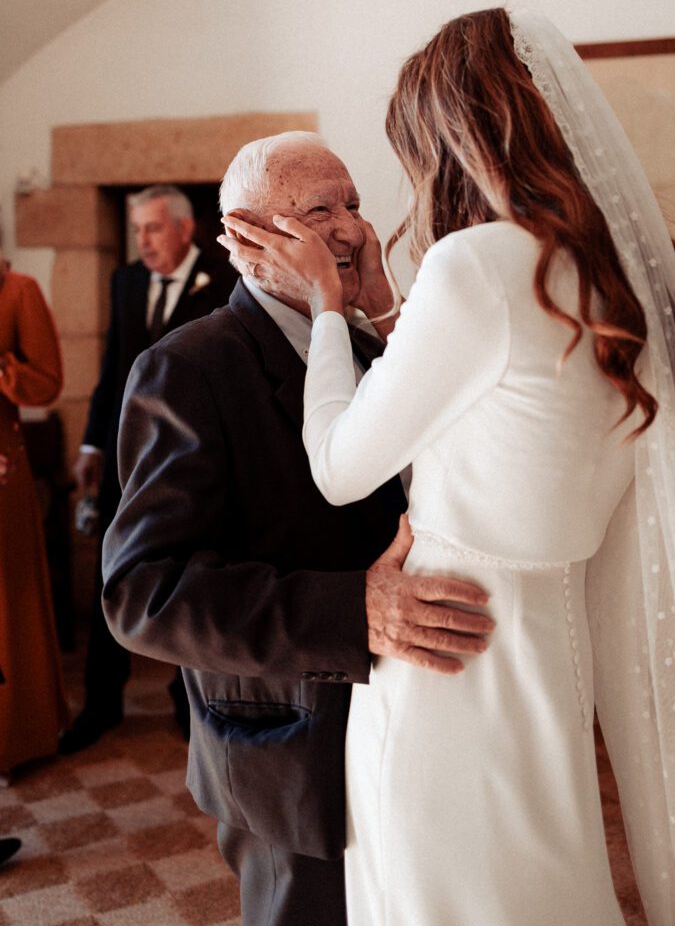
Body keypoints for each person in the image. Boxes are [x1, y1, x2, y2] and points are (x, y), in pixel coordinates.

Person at [220, 9, 675, 925]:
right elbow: (494, 403)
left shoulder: (473, 265)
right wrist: (389, 309)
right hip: (551, 644)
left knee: (443, 890)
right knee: (540, 881)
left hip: (446, 658)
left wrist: (324, 307)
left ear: (451, 137)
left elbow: (340, 470)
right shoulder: (614, 275)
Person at [101, 133, 493, 926]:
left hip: (410, 723)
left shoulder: (375, 344)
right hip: (289, 738)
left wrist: (381, 314)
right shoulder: (190, 367)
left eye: (353, 203)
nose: (352, 228)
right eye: (322, 210)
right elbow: (142, 592)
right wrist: (355, 611)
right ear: (249, 235)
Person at [61, 184, 236, 754]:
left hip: (193, 457)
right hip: (124, 456)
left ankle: (188, 702)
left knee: (192, 572)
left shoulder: (224, 275)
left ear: (185, 229)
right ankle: (101, 702)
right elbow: (113, 367)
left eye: (153, 228)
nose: (143, 241)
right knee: (110, 574)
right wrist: (91, 443)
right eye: (138, 230)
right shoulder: (127, 281)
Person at [0, 249, 69, 778]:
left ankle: (15, 735)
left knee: (8, 605)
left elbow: (46, 381)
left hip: (3, 470)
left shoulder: (17, 290)